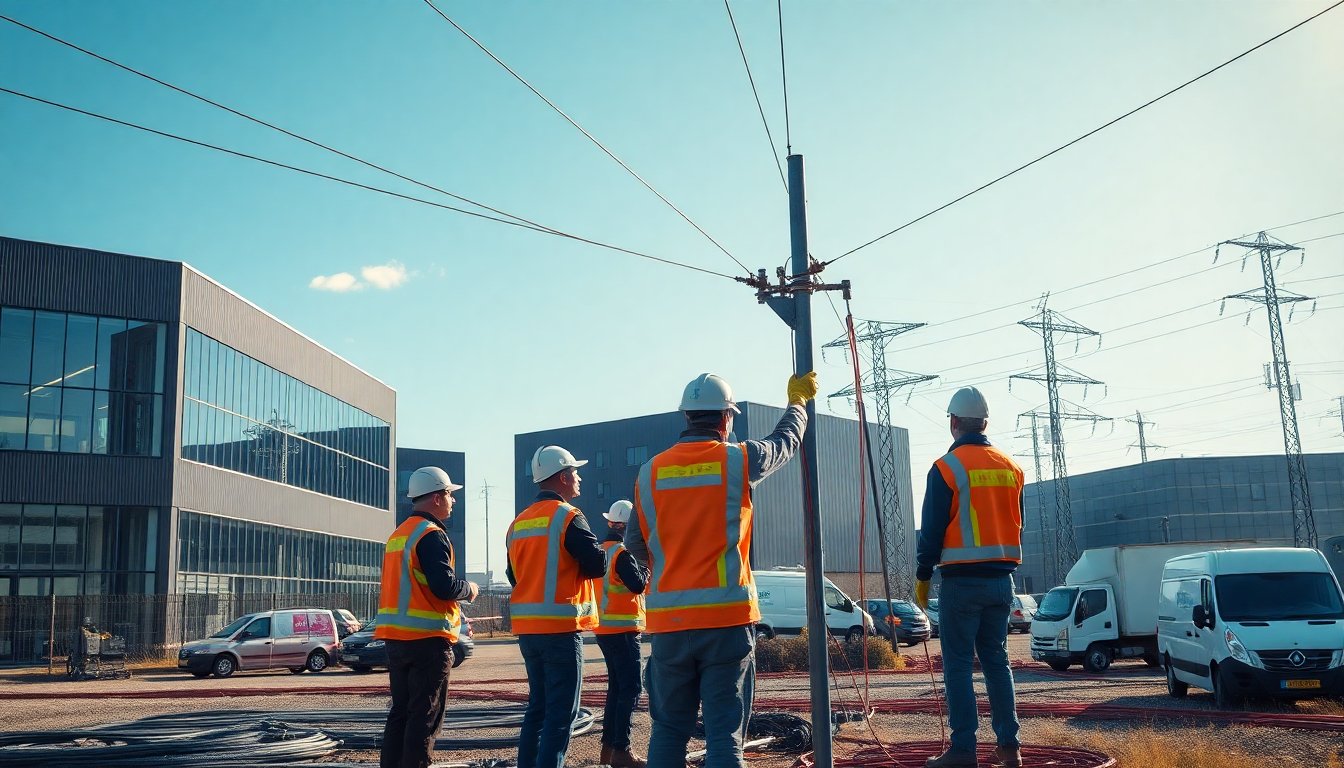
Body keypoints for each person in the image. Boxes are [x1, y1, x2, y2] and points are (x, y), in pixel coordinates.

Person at [626, 371, 818, 768]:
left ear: (687, 417)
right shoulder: (738, 460)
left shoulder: (649, 473)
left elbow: (634, 547)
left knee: (668, 731)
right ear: (726, 419)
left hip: (669, 623)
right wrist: (798, 404)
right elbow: (784, 444)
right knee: (723, 735)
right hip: (726, 622)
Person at [913, 386, 1024, 768]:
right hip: (1003, 582)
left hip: (962, 582)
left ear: (954, 422)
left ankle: (963, 751)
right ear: (985, 422)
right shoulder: (1012, 467)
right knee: (997, 662)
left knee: (958, 664)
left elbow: (931, 530)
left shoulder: (946, 468)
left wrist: (923, 576)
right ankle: (1010, 749)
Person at [507, 445, 607, 768]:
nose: (578, 478)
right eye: (575, 473)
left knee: (537, 708)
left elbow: (514, 575)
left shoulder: (517, 524)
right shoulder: (568, 517)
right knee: (561, 714)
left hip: (529, 633)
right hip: (561, 632)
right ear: (563, 478)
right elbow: (597, 565)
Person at [375, 467, 479, 768]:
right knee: (424, 716)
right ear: (436, 497)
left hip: (396, 639)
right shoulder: (431, 535)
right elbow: (444, 586)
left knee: (401, 713)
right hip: (427, 642)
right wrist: (469, 588)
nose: (453, 501)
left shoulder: (399, 535)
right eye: (450, 494)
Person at [594, 499, 649, 768]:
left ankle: (609, 749)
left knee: (617, 689)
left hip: (604, 629)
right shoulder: (621, 554)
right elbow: (638, 585)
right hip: (624, 630)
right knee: (630, 688)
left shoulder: (600, 552)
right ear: (629, 527)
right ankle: (621, 751)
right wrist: (646, 566)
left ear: (610, 523)